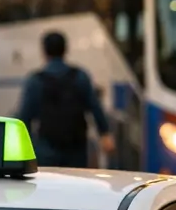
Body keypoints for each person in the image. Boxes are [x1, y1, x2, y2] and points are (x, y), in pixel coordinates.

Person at [17, 30, 114, 167]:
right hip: (76, 150)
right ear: (65, 50)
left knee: (50, 186)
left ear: (44, 52)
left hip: (46, 150)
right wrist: (105, 133)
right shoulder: (80, 76)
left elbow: (24, 117)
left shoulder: (35, 81)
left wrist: (25, 148)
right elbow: (95, 107)